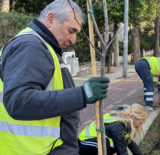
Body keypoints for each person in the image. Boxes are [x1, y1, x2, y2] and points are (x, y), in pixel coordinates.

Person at [0, 1, 110, 154]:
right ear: (50, 19)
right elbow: (18, 102)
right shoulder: (31, 46)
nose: (74, 39)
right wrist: (82, 94)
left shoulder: (42, 46)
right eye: (71, 31)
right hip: (38, 150)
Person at [78, 103, 147, 155]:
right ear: (133, 118)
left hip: (95, 145)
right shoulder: (118, 126)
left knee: (111, 145)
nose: (140, 126)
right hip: (84, 143)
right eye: (140, 123)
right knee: (105, 142)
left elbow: (131, 144)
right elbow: (122, 151)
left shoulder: (127, 124)